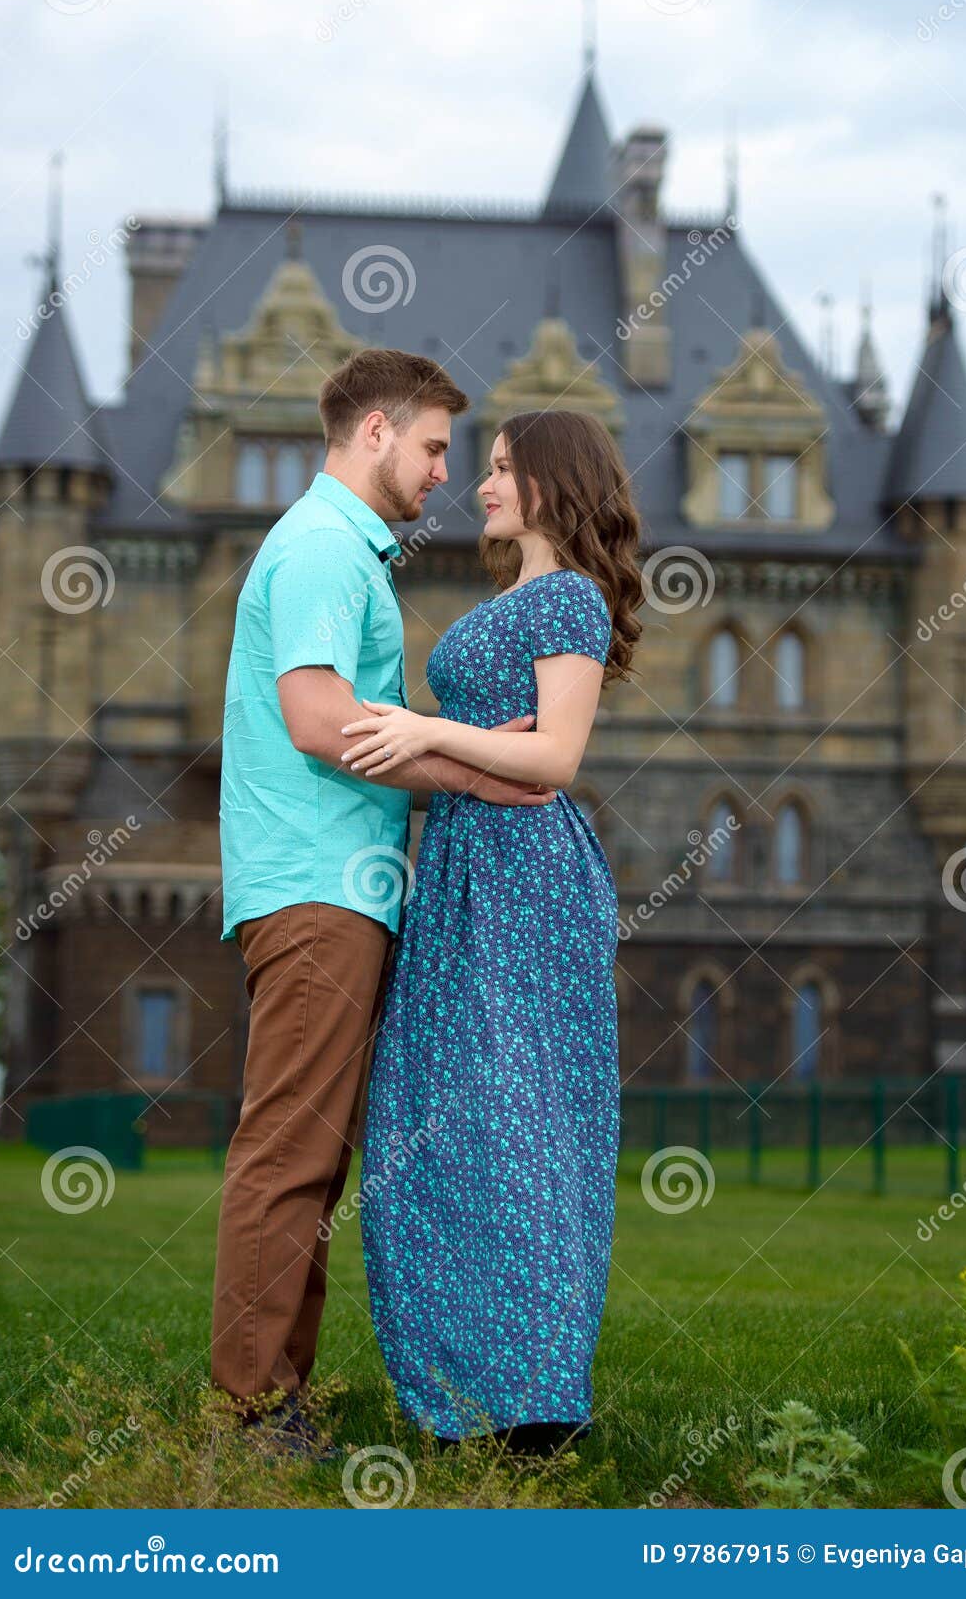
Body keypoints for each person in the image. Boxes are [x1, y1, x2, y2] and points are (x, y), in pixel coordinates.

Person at [211, 349, 556, 1452]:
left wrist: (455, 755)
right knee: (290, 1148)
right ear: (373, 433)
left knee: (311, 1147)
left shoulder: (345, 551)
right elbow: (318, 721)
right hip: (315, 887)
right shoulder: (321, 549)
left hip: (338, 886)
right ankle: (256, 1409)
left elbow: (355, 726)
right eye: (432, 447)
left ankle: (281, 1394)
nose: (444, 473)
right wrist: (469, 769)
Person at [342, 409, 643, 1455]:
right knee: (440, 1122)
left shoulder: (567, 598)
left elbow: (553, 757)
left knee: (514, 1121)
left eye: (506, 467)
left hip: (524, 880)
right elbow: (499, 758)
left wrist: (426, 730)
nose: (480, 483)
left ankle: (533, 1402)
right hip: (467, 865)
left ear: (554, 482)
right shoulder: (519, 596)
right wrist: (457, 756)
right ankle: (468, 1390)